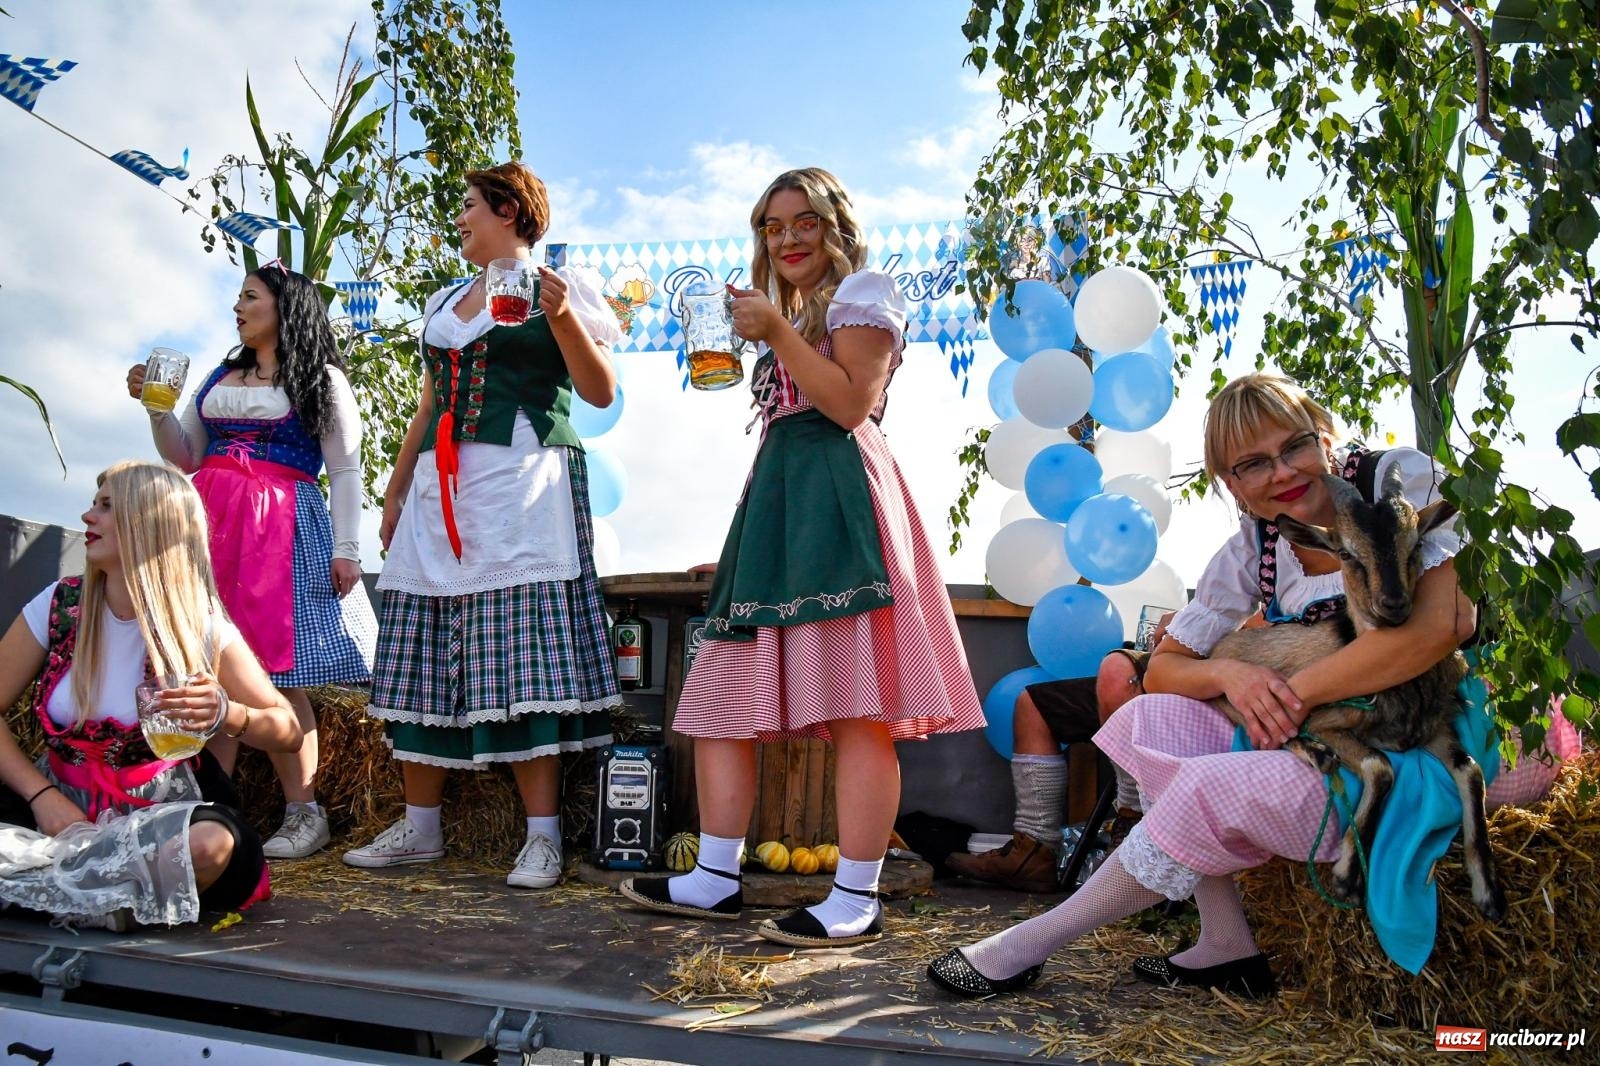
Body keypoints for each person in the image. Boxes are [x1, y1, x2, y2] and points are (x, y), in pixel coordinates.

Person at [927, 372, 1488, 999]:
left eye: (1295, 446)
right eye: (1254, 464)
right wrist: (1232, 673)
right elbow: (1165, 668)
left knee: (1200, 783)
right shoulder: (1258, 544)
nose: (1281, 473)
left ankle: (1030, 943)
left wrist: (1295, 696)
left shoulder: (1395, 483)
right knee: (1146, 718)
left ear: (1326, 438)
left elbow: (1443, 626)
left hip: (1412, 736)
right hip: (1318, 735)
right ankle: (1227, 942)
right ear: (1232, 484)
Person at [619, 167, 986, 947]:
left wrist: (779, 334)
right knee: (718, 700)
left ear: (834, 228)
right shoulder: (789, 313)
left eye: (803, 222)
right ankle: (715, 876)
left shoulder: (864, 295)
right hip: (779, 508)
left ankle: (856, 895)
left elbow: (850, 405)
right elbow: (784, 430)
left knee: (857, 710)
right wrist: (745, 546)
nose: (786, 239)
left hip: (841, 504)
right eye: (772, 226)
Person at [341, 162, 622, 889]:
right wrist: (397, 489)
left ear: (506, 210)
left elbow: (597, 391)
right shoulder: (444, 299)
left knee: (522, 647)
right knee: (425, 645)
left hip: (523, 480)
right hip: (444, 488)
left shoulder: (558, 290)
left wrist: (558, 315)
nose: (459, 217)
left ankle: (542, 838)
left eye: (468, 205)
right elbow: (431, 401)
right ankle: (421, 828)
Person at [127, 264, 376, 861]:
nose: (238, 307)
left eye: (249, 297)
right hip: (207, 526)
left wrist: (347, 550)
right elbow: (185, 456)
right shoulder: (219, 374)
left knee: (275, 674)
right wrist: (156, 411)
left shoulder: (322, 380)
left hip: (280, 528)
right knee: (200, 668)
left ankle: (303, 814)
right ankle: (206, 808)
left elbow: (344, 470)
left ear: (285, 308)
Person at [0, 461, 302, 928]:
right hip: (56, 802)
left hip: (156, 811)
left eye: (105, 507)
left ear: (147, 521)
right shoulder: (59, 605)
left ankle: (58, 893)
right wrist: (41, 796)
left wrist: (227, 712)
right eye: (92, 505)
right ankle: (113, 902)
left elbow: (288, 730)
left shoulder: (198, 623)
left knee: (211, 846)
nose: (87, 517)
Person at [944, 647, 1151, 893]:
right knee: (1034, 705)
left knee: (1122, 671)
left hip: (1192, 685)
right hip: (1163, 664)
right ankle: (1033, 850)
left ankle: (1131, 828)